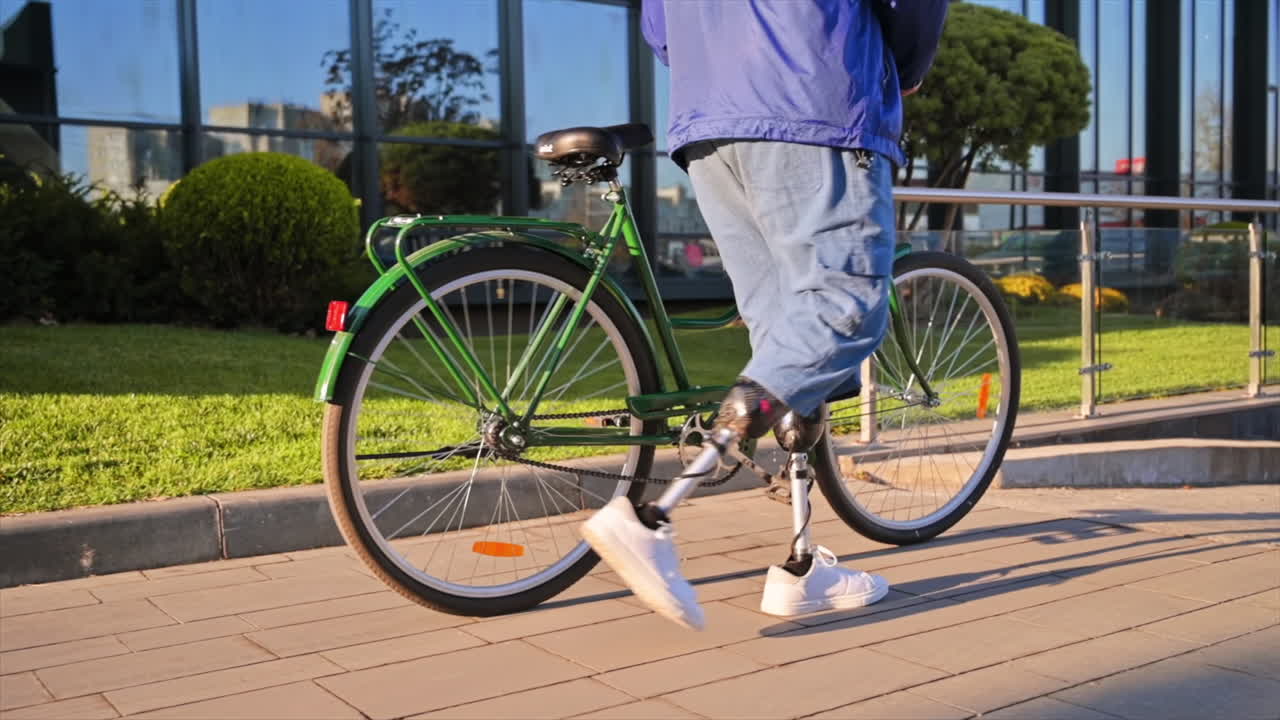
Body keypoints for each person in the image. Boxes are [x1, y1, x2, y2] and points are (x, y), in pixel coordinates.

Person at [581, 0, 950, 630]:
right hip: (812, 96)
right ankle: (650, 516)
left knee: (785, 340)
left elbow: (658, 27)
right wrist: (907, 68)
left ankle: (803, 569)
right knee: (844, 307)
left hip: (709, 122)